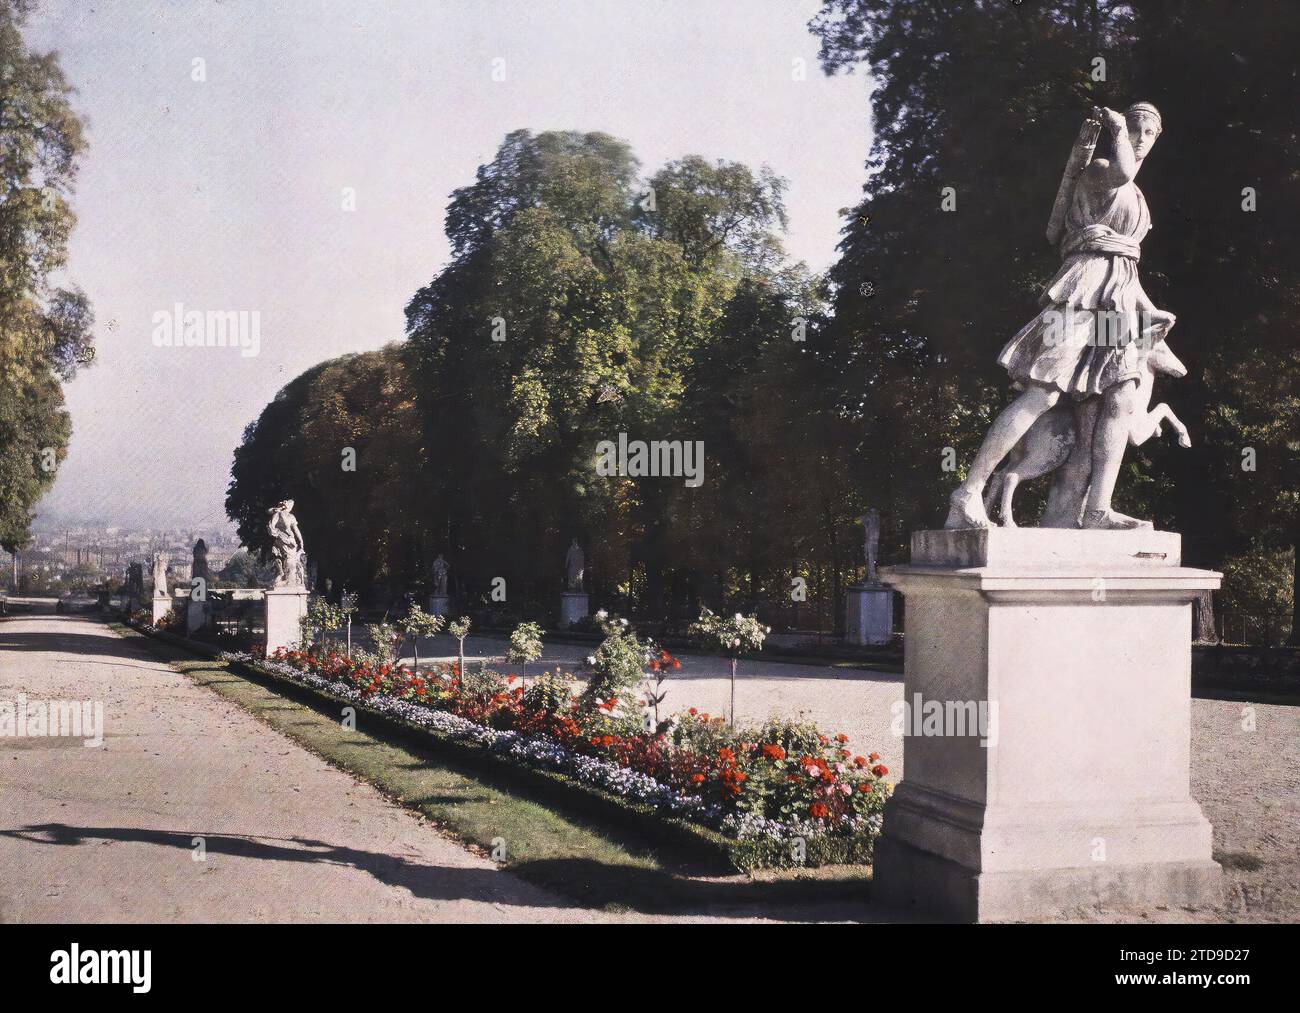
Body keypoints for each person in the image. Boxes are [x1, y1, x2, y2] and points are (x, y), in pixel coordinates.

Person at [946, 102, 1173, 530]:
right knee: (1044, 391)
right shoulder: (1100, 170)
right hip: (1080, 290)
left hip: (1118, 299)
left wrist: (1150, 310)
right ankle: (968, 492)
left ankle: (1098, 509)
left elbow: (1125, 263)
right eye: (1135, 129)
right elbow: (1123, 172)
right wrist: (1115, 130)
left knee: (1121, 395)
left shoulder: (1139, 199)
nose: (1141, 139)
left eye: (1149, 133)